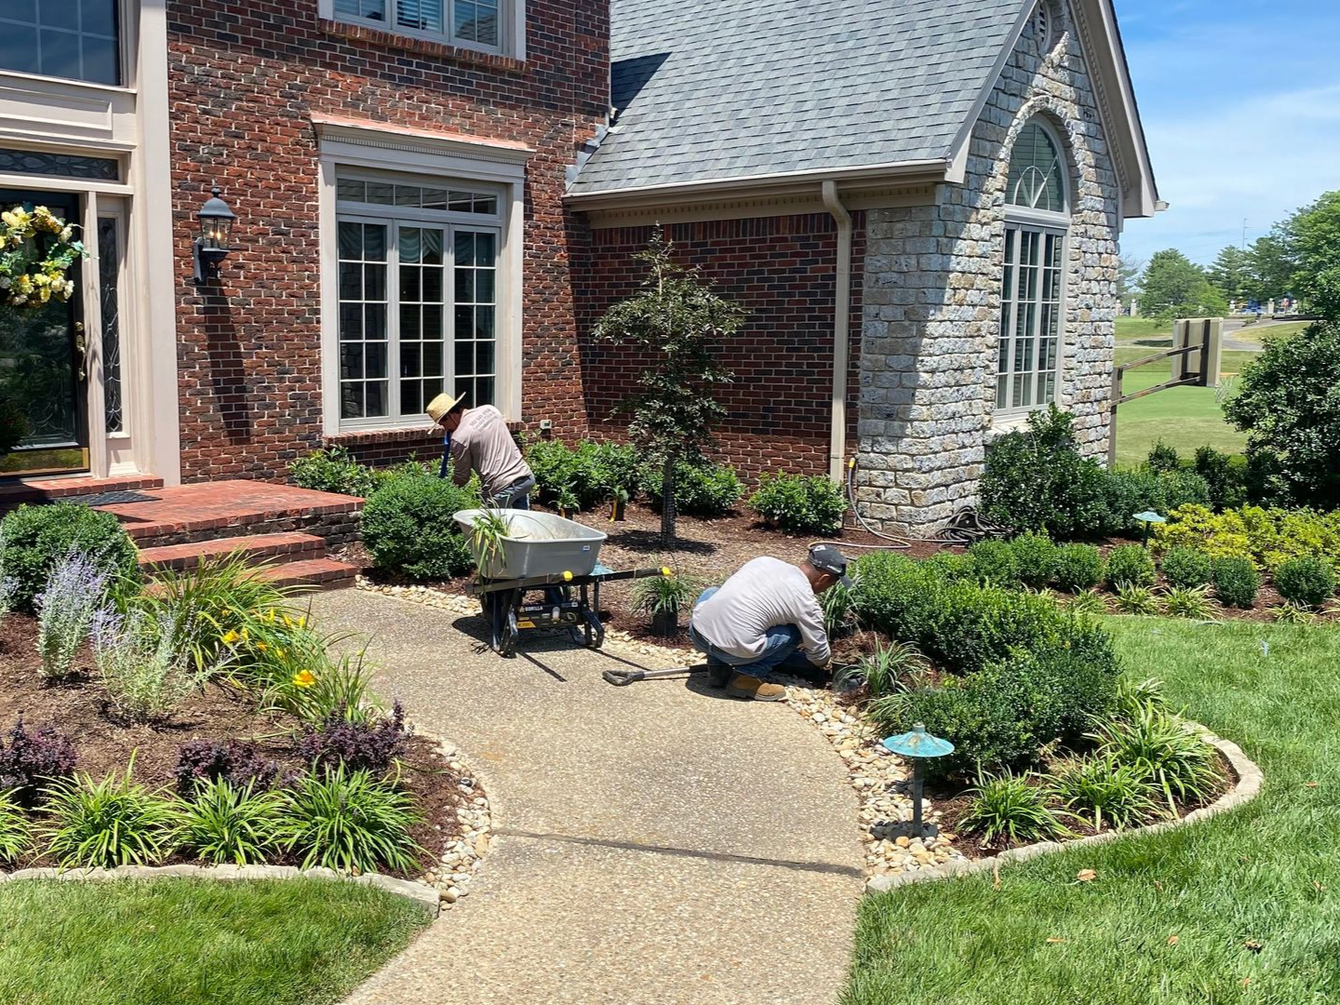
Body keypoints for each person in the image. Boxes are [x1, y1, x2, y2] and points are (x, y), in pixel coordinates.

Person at [687, 545, 852, 701]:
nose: (827, 588)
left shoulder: (764, 561)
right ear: (824, 579)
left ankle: (717, 669)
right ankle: (746, 678)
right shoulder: (806, 602)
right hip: (733, 652)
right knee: (795, 631)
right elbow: (818, 655)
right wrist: (824, 665)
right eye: (832, 583)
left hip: (698, 634)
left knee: (713, 592)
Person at [426, 392, 535, 509]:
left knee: (485, 523)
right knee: (523, 521)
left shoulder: (459, 438)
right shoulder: (490, 410)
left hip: (501, 488)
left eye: (443, 423)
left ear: (451, 416)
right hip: (525, 478)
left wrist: (444, 492)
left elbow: (462, 477)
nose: (445, 428)